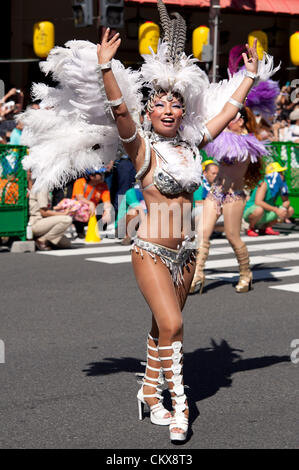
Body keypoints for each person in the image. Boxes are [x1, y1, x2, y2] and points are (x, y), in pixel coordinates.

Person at [19, 0, 278, 442]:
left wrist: (250, 78)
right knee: (175, 326)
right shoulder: (141, 147)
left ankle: (148, 393)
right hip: (151, 251)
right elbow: (120, 112)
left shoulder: (193, 144)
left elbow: (225, 113)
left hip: (184, 254)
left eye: (177, 104)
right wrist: (105, 69)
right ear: (150, 111)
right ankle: (179, 408)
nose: (170, 110)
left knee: (163, 326)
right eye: (161, 104)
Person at [189, 106, 267, 295]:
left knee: (233, 237)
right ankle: (198, 274)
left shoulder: (248, 143)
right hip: (215, 193)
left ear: (240, 121)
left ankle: (245, 274)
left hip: (234, 195)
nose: (225, 120)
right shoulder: (223, 136)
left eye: (230, 118)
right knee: (202, 233)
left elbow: (231, 152)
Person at [243, 162, 294, 235]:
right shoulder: (264, 183)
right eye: (280, 173)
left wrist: (284, 209)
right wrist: (276, 210)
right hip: (253, 210)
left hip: (267, 211)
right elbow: (258, 202)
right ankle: (251, 228)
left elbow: (285, 201)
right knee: (259, 209)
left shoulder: (280, 185)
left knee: (290, 210)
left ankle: (266, 227)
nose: (282, 175)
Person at [71, 168, 112, 238]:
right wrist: (90, 203)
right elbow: (79, 198)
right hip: (79, 209)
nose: (102, 175)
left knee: (106, 210)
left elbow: (107, 201)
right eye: (100, 174)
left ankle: (98, 226)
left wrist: (107, 212)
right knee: (81, 209)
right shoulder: (80, 182)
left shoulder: (103, 185)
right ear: (91, 176)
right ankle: (80, 230)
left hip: (93, 210)